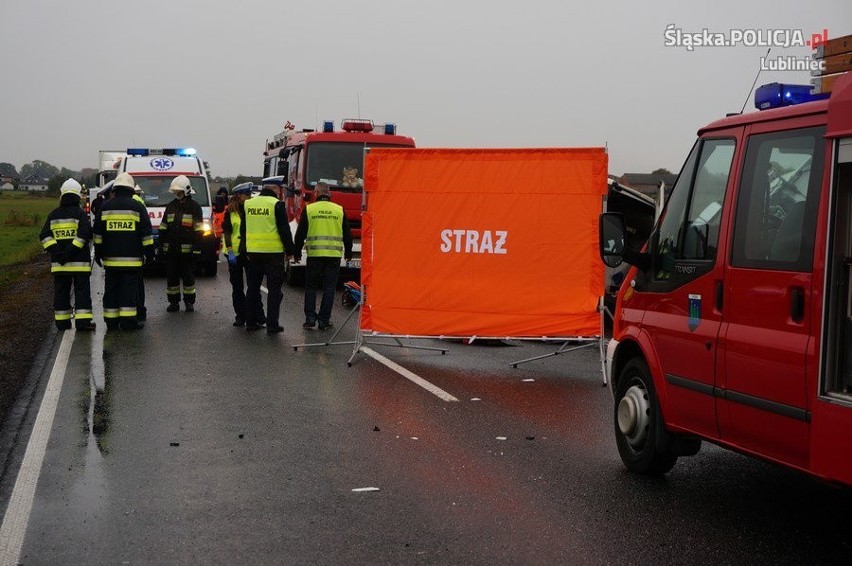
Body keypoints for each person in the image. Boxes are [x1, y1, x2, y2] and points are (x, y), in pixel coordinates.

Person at [92, 172, 154, 331]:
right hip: (132, 260)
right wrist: (150, 253)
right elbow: (146, 234)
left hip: (110, 260)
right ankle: (128, 322)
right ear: (131, 188)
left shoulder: (105, 207)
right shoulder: (138, 207)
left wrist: (98, 253)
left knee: (111, 289)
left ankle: (111, 322)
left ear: (116, 188)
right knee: (128, 290)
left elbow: (98, 234)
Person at [39, 178, 97, 331]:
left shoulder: (53, 214)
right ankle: (83, 323)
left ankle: (62, 323)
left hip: (60, 264)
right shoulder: (80, 213)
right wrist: (69, 252)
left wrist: (58, 253)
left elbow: (44, 236)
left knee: (61, 293)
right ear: (78, 196)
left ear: (62, 195)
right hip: (79, 264)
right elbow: (84, 234)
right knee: (82, 292)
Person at [293, 182, 353, 330]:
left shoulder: (310, 209)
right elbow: (347, 234)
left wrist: (297, 252)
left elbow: (300, 233)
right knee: (329, 288)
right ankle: (324, 320)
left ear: (316, 192)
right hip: (333, 256)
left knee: (311, 287)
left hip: (315, 255)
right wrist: (349, 252)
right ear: (329, 193)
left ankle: (310, 318)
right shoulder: (339, 210)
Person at [244, 180, 295, 334]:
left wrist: (244, 249)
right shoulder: (277, 204)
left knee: (252, 289)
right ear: (274, 189)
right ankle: (272, 325)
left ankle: (250, 322)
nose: (281, 192)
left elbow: (243, 229)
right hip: (273, 254)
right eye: (279, 189)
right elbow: (284, 230)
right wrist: (290, 250)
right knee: (274, 290)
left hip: (253, 253)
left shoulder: (249, 204)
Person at [158, 175, 203, 312]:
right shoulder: (171, 206)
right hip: (171, 250)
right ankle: (173, 302)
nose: (177, 194)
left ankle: (189, 302)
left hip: (187, 252)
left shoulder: (194, 207)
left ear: (186, 191)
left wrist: (196, 249)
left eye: (179, 192)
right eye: (175, 192)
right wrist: (161, 247)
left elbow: (199, 230)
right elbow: (163, 228)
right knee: (172, 279)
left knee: (188, 278)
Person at [222, 183, 264, 326]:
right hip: (234, 252)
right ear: (240, 196)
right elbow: (227, 231)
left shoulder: (250, 209)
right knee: (237, 286)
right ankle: (241, 316)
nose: (250, 197)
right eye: (248, 195)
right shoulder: (230, 211)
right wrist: (230, 250)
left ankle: (258, 315)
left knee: (253, 286)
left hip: (249, 251)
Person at [133, 184, 149, 321]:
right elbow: (146, 230)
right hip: (134, 254)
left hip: (113, 256)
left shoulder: (110, 204)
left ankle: (113, 319)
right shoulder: (139, 204)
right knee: (137, 285)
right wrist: (149, 253)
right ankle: (139, 312)